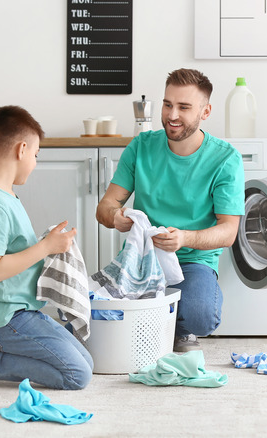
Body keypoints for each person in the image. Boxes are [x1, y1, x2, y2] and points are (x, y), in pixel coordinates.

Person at [0, 105, 93, 390]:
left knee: (87, 362)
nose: (35, 163)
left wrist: (50, 246)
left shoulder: (7, 196)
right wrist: (46, 247)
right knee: (78, 376)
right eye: (36, 155)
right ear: (22, 150)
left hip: (20, 311)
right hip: (4, 316)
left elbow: (11, 255)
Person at [96, 68, 244, 352]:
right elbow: (105, 207)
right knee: (103, 313)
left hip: (193, 261)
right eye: (167, 104)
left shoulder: (225, 159)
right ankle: (162, 322)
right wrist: (116, 217)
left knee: (202, 316)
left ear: (206, 111)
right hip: (141, 256)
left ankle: (171, 323)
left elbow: (228, 231)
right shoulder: (142, 146)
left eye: (184, 107)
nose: (172, 115)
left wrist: (184, 238)